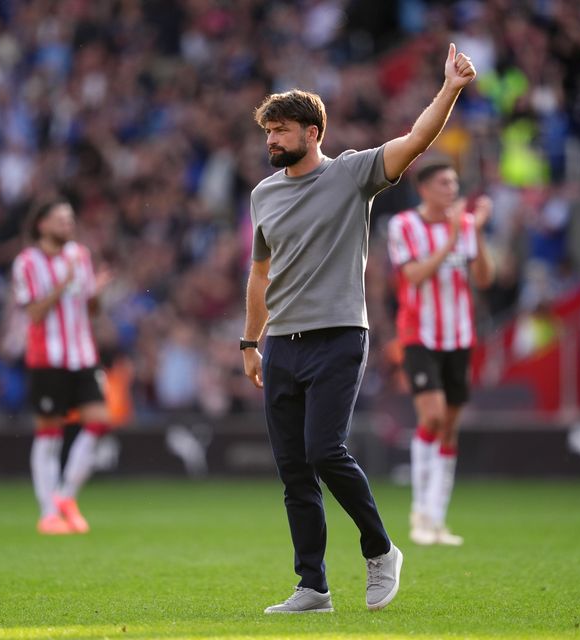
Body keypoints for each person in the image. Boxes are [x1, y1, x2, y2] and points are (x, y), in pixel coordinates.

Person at [242, 43, 477, 613]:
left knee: (324, 451)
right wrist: (251, 340)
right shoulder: (263, 195)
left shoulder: (351, 174)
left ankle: (381, 550)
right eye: (268, 130)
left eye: (282, 129)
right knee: (293, 471)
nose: (272, 139)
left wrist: (448, 88)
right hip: (281, 345)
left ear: (314, 131)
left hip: (340, 334)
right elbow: (260, 273)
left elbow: (416, 141)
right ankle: (313, 586)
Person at [387, 162, 494, 547]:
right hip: (419, 335)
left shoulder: (465, 225)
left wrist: (476, 234)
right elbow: (413, 276)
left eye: (454, 181)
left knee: (449, 426)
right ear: (424, 188)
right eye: (444, 182)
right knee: (431, 417)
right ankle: (419, 512)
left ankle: (437, 517)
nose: (453, 188)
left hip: (459, 336)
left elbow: (484, 279)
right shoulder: (403, 226)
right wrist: (450, 241)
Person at [11, 199, 112, 535]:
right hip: (47, 358)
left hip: (82, 354)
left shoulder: (80, 255)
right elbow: (34, 314)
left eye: (70, 219)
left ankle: (66, 495)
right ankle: (48, 513)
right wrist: (61, 285)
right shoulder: (27, 263)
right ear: (42, 224)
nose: (68, 225)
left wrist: (96, 293)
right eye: (60, 220)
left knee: (99, 422)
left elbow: (90, 309)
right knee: (50, 432)